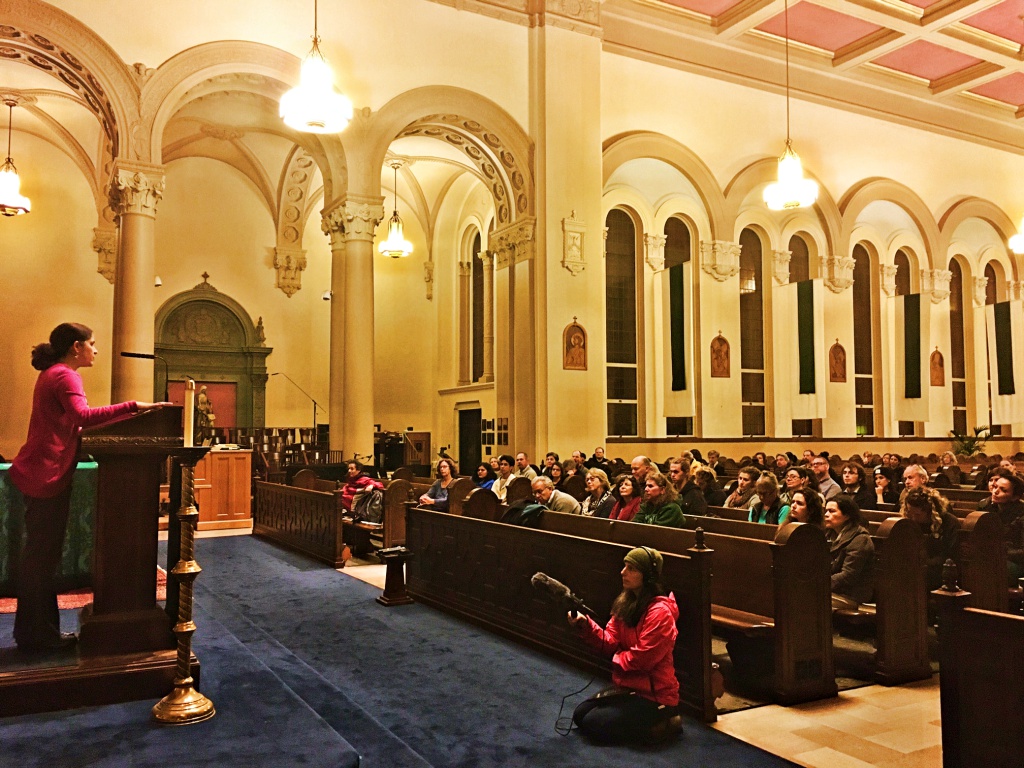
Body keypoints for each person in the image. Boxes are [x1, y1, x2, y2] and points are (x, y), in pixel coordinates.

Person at [10, 323, 170, 652]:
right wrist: (134, 407)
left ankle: (35, 635)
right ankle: (37, 638)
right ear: (75, 347)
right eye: (92, 344)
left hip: (43, 471)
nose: (95, 350)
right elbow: (82, 415)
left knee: (39, 560)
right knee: (41, 561)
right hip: (46, 475)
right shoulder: (65, 375)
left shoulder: (53, 373)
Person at [569, 547, 681, 745]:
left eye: (631, 568)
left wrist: (615, 658)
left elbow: (642, 660)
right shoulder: (626, 602)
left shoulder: (660, 613)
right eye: (624, 566)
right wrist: (585, 626)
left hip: (655, 695)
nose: (623, 572)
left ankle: (667, 720)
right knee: (580, 715)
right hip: (629, 687)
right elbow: (610, 641)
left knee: (596, 725)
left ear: (648, 577)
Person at [902, 487, 960, 590]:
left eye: (917, 514)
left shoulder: (949, 523)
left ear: (930, 511)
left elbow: (951, 556)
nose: (913, 518)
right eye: (910, 513)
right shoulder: (910, 522)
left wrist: (923, 563)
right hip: (914, 572)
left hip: (941, 575)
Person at [824, 494, 875, 610]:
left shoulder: (860, 539)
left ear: (846, 515)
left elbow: (848, 575)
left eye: (832, 511)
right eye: (826, 511)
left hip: (852, 595)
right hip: (833, 590)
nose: (826, 515)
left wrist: (821, 584)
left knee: (810, 599)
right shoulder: (828, 534)